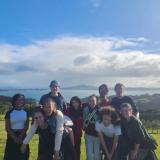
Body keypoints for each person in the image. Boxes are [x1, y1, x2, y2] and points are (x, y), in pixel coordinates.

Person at [3, 94, 29, 160]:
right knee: (10, 156)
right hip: (11, 137)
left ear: (23, 102)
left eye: (21, 100)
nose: (19, 101)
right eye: (17, 100)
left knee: (23, 156)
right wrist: (15, 138)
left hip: (22, 137)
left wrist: (20, 136)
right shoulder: (9, 113)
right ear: (14, 101)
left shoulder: (26, 112)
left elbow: (26, 126)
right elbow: (7, 128)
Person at [83, 95, 100, 160]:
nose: (91, 102)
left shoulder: (100, 110)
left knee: (97, 156)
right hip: (88, 135)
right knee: (89, 156)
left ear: (96, 101)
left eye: (93, 100)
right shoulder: (85, 110)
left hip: (98, 136)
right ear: (88, 102)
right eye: (90, 101)